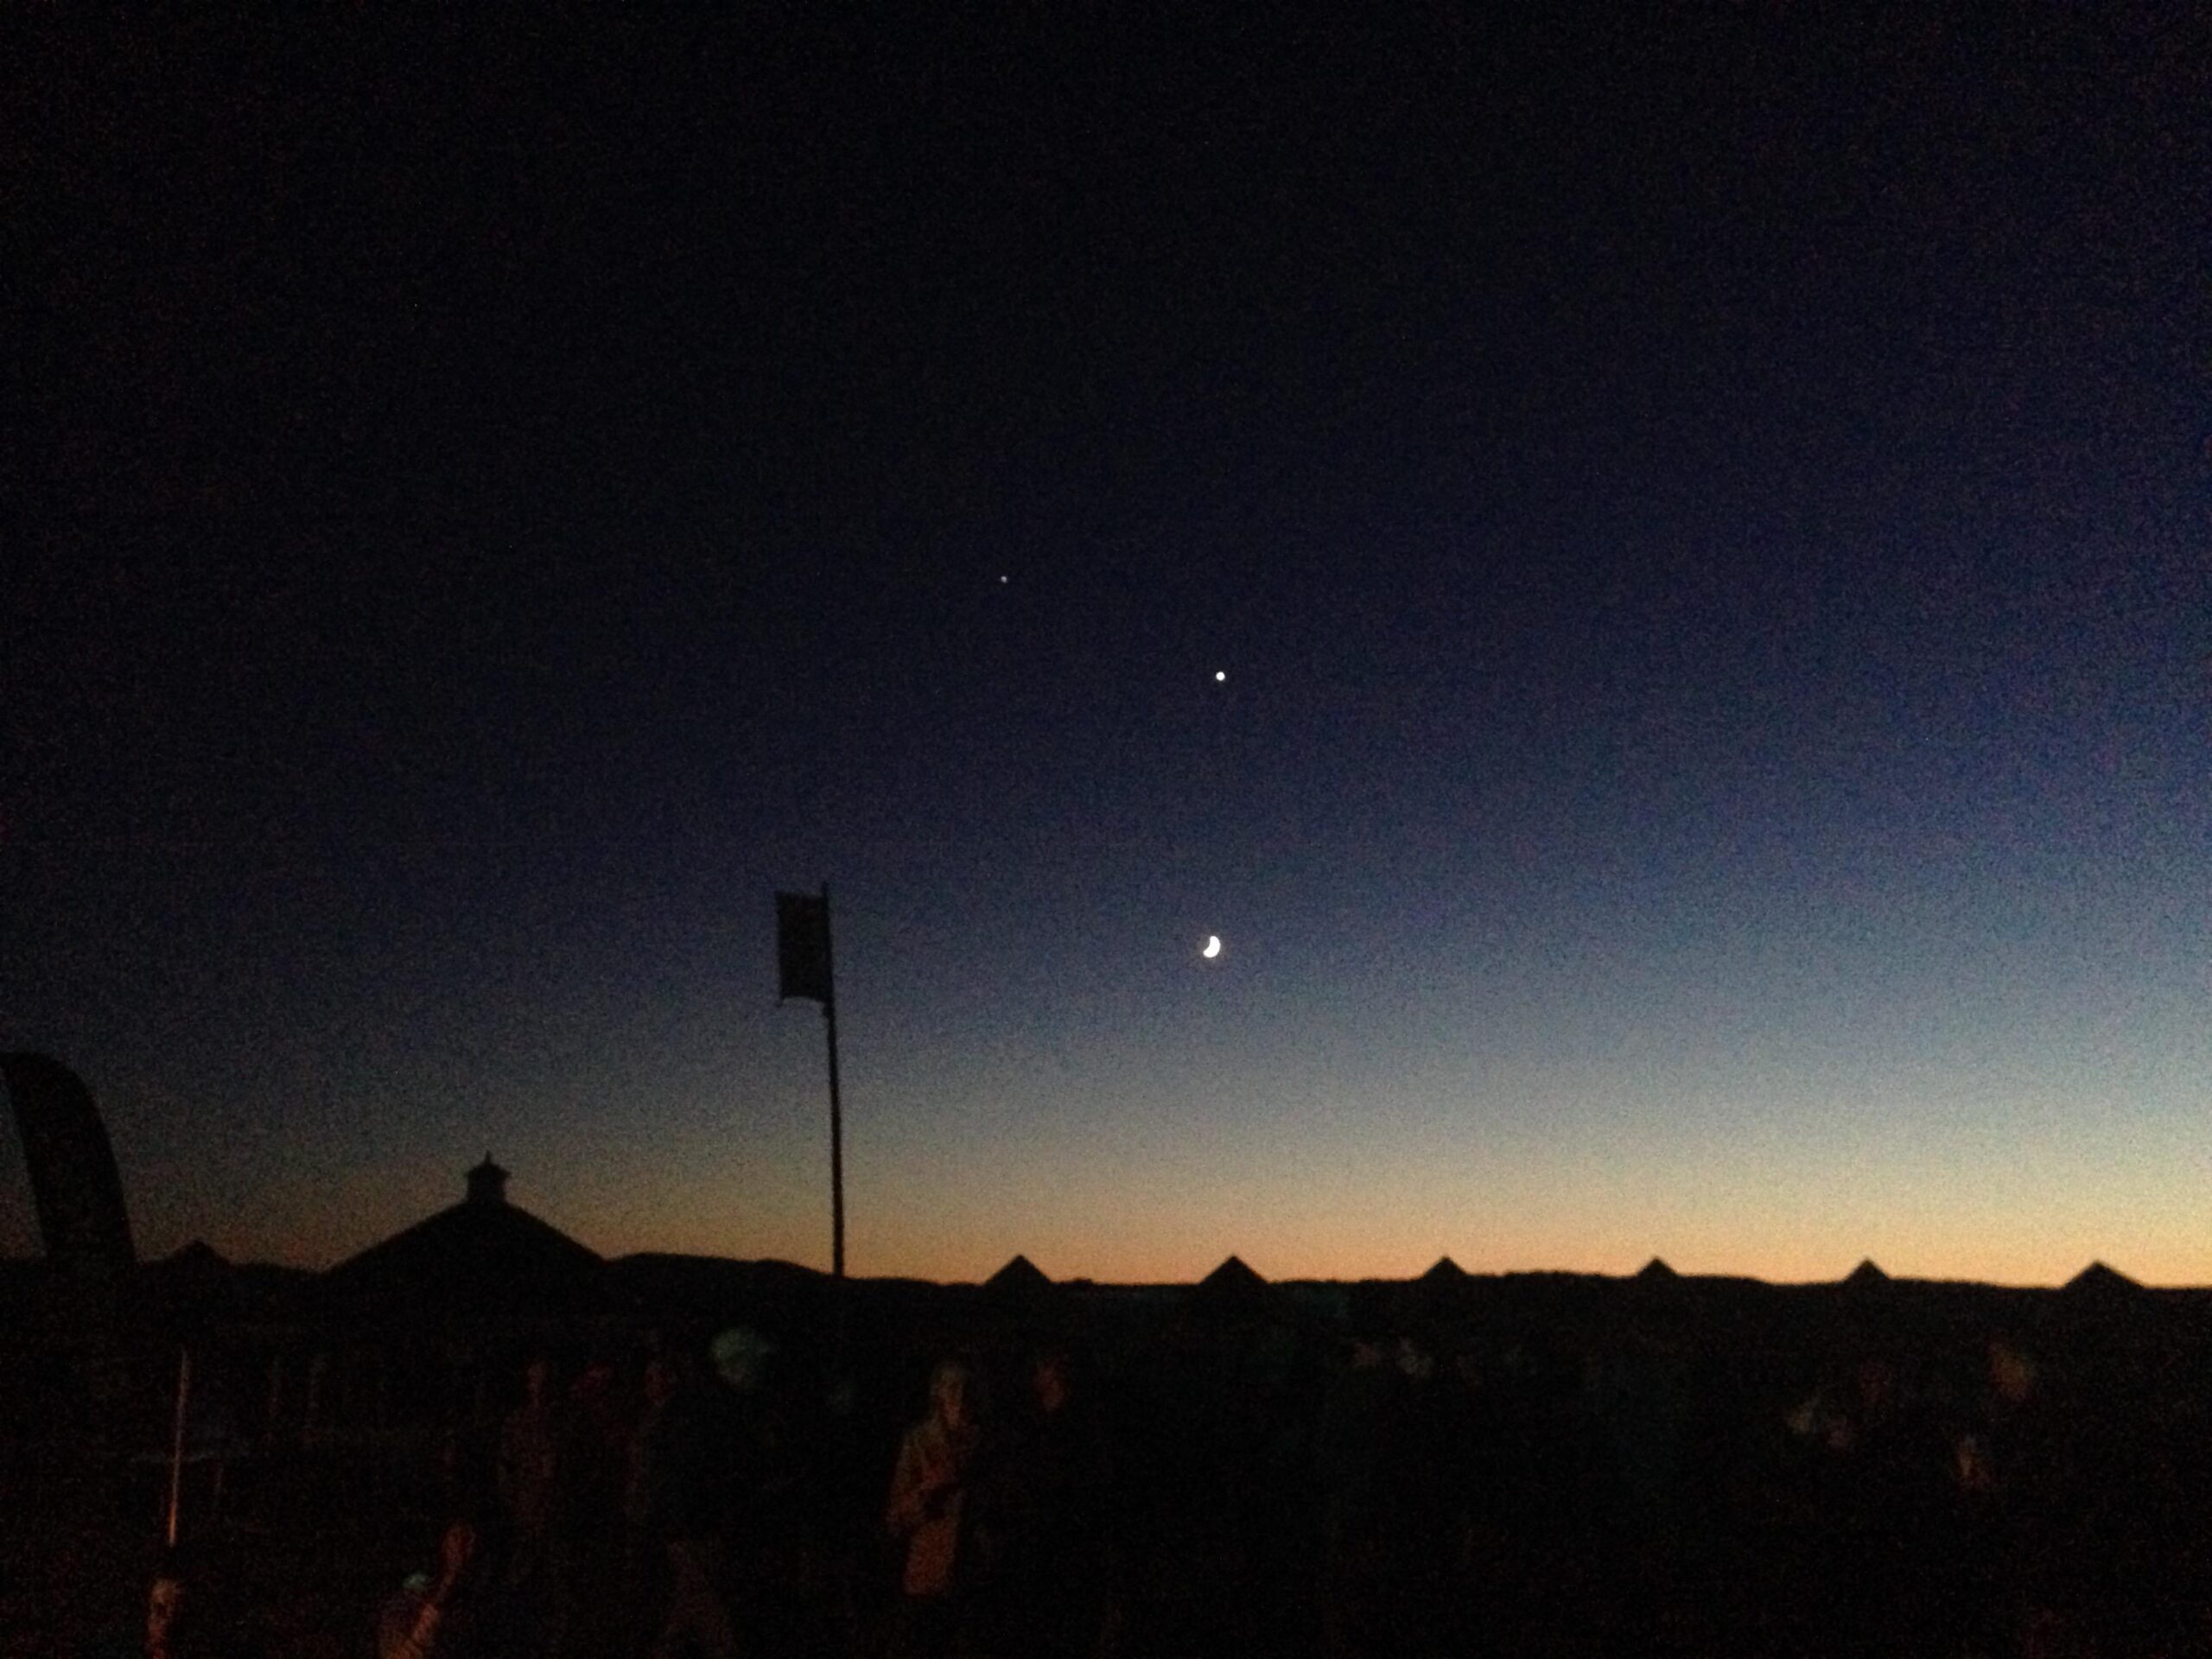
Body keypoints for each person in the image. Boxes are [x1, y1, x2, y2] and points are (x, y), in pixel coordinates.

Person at [885, 1358, 986, 1658]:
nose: (960, 1396)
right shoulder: (918, 1442)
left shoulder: (985, 1444)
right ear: (938, 1392)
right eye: (952, 1387)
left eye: (966, 1387)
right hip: (928, 1577)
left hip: (972, 1579)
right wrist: (926, 1490)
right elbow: (894, 1519)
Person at [378, 1519, 480, 1659]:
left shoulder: (475, 1603)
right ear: (444, 1543)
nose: (460, 1547)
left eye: (468, 1540)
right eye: (456, 1537)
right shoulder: (417, 1585)